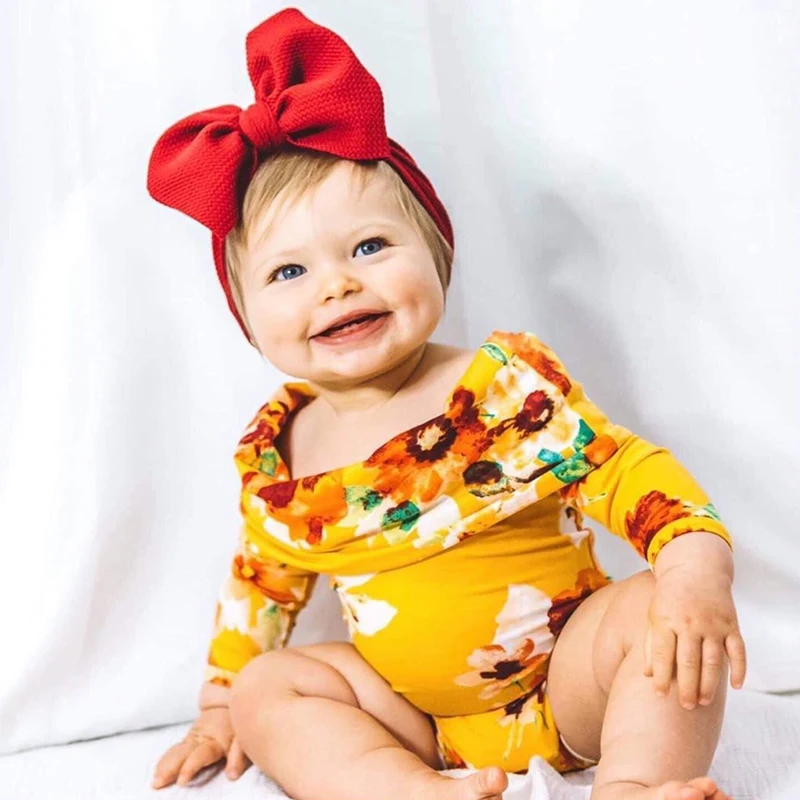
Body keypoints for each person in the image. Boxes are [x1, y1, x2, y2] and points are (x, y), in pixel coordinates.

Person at [146, 9, 746, 800]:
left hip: (570, 677)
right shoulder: (282, 454)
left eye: (369, 247)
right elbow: (261, 585)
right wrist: (221, 706)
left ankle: (634, 781)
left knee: (654, 611)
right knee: (270, 688)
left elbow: (626, 470)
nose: (338, 284)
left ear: (436, 252)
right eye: (289, 273)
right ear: (247, 319)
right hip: (417, 721)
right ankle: (406, 788)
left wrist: (693, 566)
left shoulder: (501, 391)